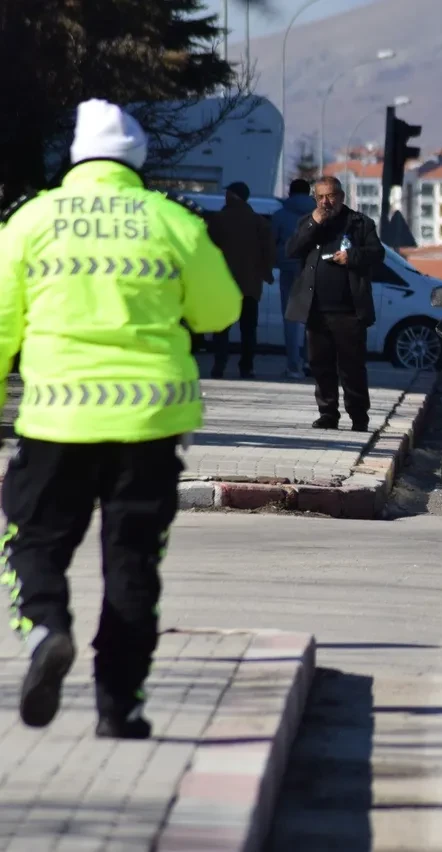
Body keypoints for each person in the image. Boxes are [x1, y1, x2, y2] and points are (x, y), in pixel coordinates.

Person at [0, 99, 242, 737]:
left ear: (74, 158)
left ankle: (47, 629)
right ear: (136, 160)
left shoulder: (32, 220)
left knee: (32, 543)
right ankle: (120, 708)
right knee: (133, 563)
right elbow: (220, 310)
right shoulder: (169, 220)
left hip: (57, 422)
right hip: (150, 427)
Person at [284, 176, 382, 431]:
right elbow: (291, 250)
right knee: (320, 364)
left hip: (349, 310)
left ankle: (359, 417)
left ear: (342, 196)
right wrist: (314, 222)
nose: (326, 202)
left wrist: (352, 256)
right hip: (316, 309)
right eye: (321, 197)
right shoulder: (308, 222)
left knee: (352, 368)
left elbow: (377, 254)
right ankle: (328, 414)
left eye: (331, 196)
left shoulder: (360, 223)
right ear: (315, 199)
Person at [207, 181, 274, 379]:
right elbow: (268, 252)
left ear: (233, 195)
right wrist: (266, 273)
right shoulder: (259, 222)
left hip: (224, 284)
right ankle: (247, 367)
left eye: (227, 193)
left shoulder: (219, 219)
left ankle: (219, 365)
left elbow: (208, 249)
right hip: (250, 285)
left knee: (221, 328)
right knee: (248, 329)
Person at [271, 178, 316, 378]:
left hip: (289, 270)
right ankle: (310, 363)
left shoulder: (279, 216)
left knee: (291, 319)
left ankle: (293, 366)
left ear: (290, 193)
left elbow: (272, 242)